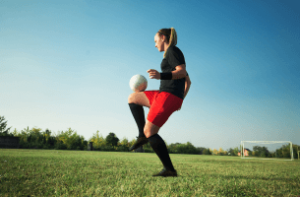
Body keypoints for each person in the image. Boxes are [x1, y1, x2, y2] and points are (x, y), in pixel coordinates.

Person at [128, 27, 192, 177]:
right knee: (132, 98)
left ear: (163, 37)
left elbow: (182, 73)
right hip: (163, 94)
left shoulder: (173, 51)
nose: (155, 44)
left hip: (168, 96)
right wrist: (181, 98)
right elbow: (188, 81)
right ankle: (141, 136)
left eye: (156, 40)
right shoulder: (170, 54)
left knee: (150, 131)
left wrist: (160, 76)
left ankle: (169, 169)